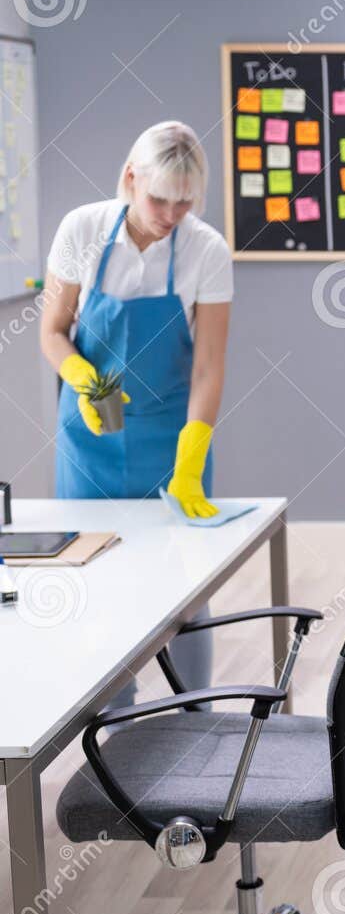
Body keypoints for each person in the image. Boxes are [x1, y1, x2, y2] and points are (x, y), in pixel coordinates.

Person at [40, 121, 230, 709]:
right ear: (130, 179)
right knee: (96, 578)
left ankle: (193, 711)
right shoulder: (82, 230)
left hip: (171, 436)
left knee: (187, 584)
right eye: (159, 199)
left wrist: (192, 456)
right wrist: (79, 377)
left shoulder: (206, 250)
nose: (172, 213)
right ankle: (114, 725)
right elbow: (52, 331)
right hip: (91, 434)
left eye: (185, 201)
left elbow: (207, 367)